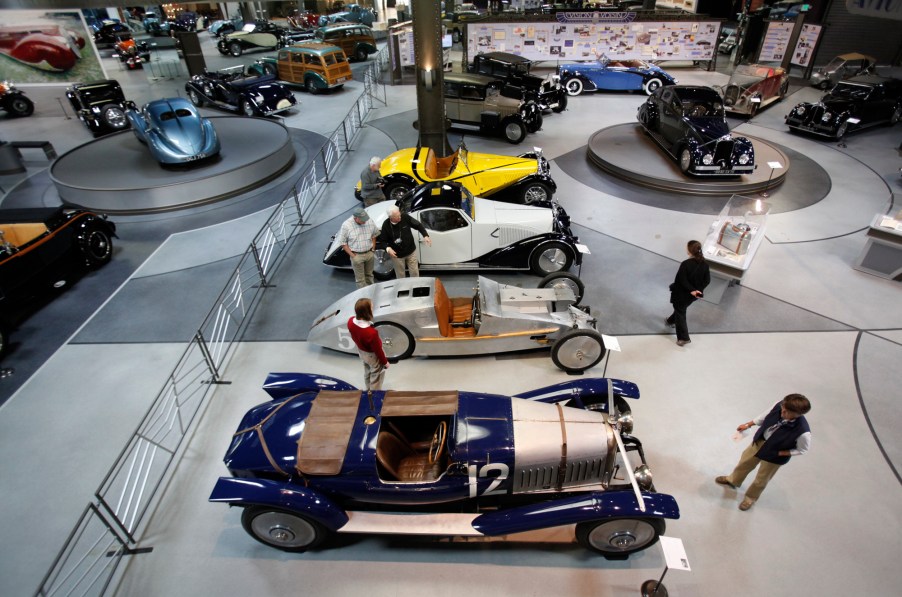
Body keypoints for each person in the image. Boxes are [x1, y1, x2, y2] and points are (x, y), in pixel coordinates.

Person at [716, 394, 812, 511]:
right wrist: (748, 425)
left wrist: (782, 453)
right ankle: (733, 480)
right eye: (783, 408)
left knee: (762, 478)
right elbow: (763, 417)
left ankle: (750, 498)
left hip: (775, 455)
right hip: (760, 442)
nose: (782, 412)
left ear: (798, 414)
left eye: (787, 412)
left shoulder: (803, 432)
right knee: (744, 463)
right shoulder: (780, 406)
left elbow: (802, 450)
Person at [666, 239, 710, 346]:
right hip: (693, 296)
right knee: (680, 308)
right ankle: (671, 321)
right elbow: (707, 280)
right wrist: (697, 290)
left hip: (682, 294)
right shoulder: (705, 264)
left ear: (689, 250)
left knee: (680, 312)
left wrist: (692, 290)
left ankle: (684, 338)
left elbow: (681, 280)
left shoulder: (685, 264)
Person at [347, 298, 389, 391]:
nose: (373, 308)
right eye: (371, 307)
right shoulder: (371, 333)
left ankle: (368, 390)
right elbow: (378, 350)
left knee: (367, 371)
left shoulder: (350, 321)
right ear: (367, 312)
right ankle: (374, 395)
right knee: (376, 375)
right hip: (372, 356)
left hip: (362, 352)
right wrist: (385, 362)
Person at [380, 205, 432, 278]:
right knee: (400, 275)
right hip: (397, 256)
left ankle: (415, 287)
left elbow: (418, 225)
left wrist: (425, 235)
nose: (400, 217)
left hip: (411, 252)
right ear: (391, 217)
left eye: (400, 215)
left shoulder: (405, 217)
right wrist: (388, 249)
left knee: (415, 273)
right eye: (397, 216)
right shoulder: (386, 225)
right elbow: (383, 241)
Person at [337, 207, 379, 288]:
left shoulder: (369, 221)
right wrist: (353, 256)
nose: (365, 221)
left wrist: (373, 249)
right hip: (357, 256)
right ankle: (363, 298)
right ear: (355, 218)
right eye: (362, 220)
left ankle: (371, 294)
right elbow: (342, 243)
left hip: (369, 253)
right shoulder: (346, 225)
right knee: (360, 279)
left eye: (365, 218)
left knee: (369, 275)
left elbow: (374, 234)